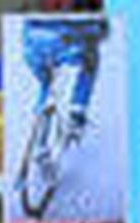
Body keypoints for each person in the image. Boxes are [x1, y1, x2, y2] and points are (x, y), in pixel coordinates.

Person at [22, 1, 110, 143]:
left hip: (33, 44)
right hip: (61, 38)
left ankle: (41, 138)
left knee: (47, 84)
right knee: (90, 59)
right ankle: (77, 111)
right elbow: (99, 28)